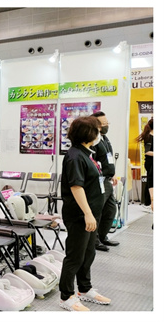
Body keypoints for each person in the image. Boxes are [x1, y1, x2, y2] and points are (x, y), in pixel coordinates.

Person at [58, 116, 111, 311]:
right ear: (88, 133)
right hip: (80, 215)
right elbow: (76, 187)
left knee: (88, 253)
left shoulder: (87, 153)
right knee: (75, 256)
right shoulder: (74, 156)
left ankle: (84, 288)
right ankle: (66, 296)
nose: (100, 133)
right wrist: (87, 213)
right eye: (97, 130)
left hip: (92, 213)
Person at [90, 111, 120, 252]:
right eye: (104, 123)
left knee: (110, 210)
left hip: (108, 179)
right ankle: (94, 240)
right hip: (99, 180)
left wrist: (113, 173)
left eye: (107, 123)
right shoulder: (93, 140)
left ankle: (102, 236)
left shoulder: (104, 138)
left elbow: (108, 158)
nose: (106, 125)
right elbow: (92, 161)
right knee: (98, 211)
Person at [136, 118, 154, 212]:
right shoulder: (149, 137)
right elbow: (147, 151)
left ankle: (149, 202)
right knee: (151, 181)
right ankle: (149, 203)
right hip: (150, 162)